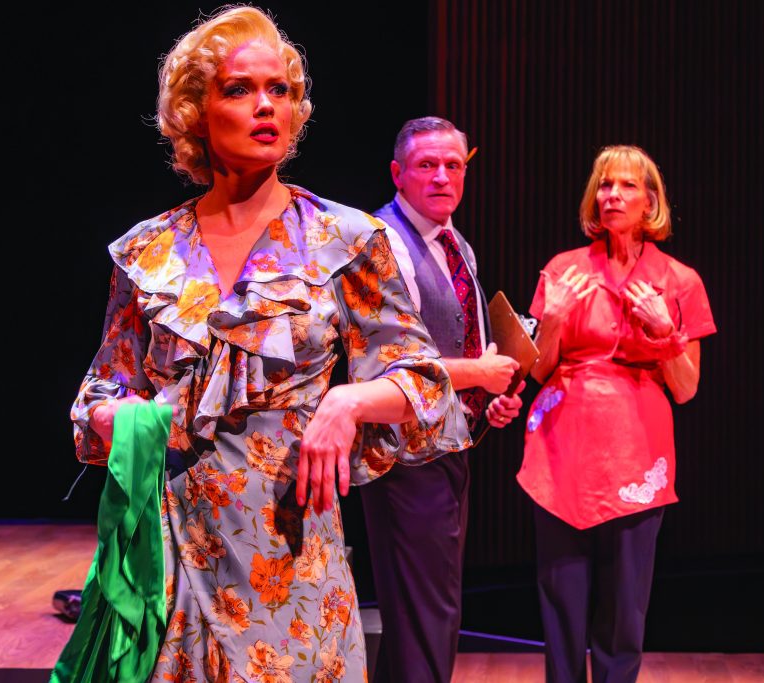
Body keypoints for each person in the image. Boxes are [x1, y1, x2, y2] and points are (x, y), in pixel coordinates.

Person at [69, 8, 470, 681]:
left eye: (279, 89)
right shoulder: (148, 251)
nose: (266, 106)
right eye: (239, 90)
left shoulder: (344, 240)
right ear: (196, 112)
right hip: (171, 565)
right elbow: (102, 389)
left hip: (293, 569)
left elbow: (423, 381)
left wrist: (346, 402)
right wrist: (116, 418)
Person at [518, 145, 716, 683]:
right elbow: (537, 371)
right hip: (562, 445)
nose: (612, 196)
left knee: (624, 606)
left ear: (650, 200)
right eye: (605, 185)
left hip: (635, 450)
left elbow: (687, 388)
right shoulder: (564, 270)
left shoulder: (680, 281)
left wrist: (664, 331)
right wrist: (553, 320)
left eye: (627, 186)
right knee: (561, 603)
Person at [359, 116, 524, 683]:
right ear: (398, 174)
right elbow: (384, 364)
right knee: (421, 615)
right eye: (427, 165)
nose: (442, 177)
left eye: (453, 165)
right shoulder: (383, 242)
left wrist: (489, 397)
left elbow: (465, 339)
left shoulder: (457, 245)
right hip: (404, 452)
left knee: (433, 611)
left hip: (450, 446)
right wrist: (478, 371)